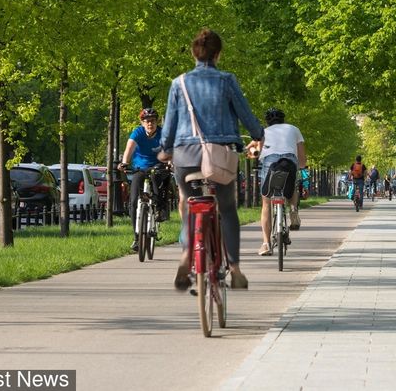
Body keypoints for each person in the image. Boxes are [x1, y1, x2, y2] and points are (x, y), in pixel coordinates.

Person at [160, 28, 264, 290]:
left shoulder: (178, 83)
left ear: (194, 53)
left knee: (187, 202)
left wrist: (164, 149)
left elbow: (169, 127)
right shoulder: (227, 80)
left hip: (185, 155)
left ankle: (186, 253)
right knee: (227, 209)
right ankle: (236, 269)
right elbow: (246, 114)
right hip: (220, 154)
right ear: (218, 54)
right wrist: (259, 135)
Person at [249, 107, 307, 256]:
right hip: (289, 159)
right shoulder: (294, 129)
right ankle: (293, 209)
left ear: (268, 121)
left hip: (270, 161)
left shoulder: (263, 132)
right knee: (292, 183)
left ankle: (266, 244)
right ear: (283, 119)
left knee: (266, 202)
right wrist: (301, 166)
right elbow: (301, 155)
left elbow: (256, 152)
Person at [119, 107, 169, 251]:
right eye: (147, 121)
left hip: (158, 165)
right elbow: (129, 148)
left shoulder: (162, 134)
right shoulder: (138, 133)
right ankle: (136, 237)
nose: (150, 124)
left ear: (156, 122)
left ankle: (159, 209)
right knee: (134, 200)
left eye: (153, 121)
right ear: (142, 122)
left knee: (157, 177)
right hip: (140, 168)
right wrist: (124, 163)